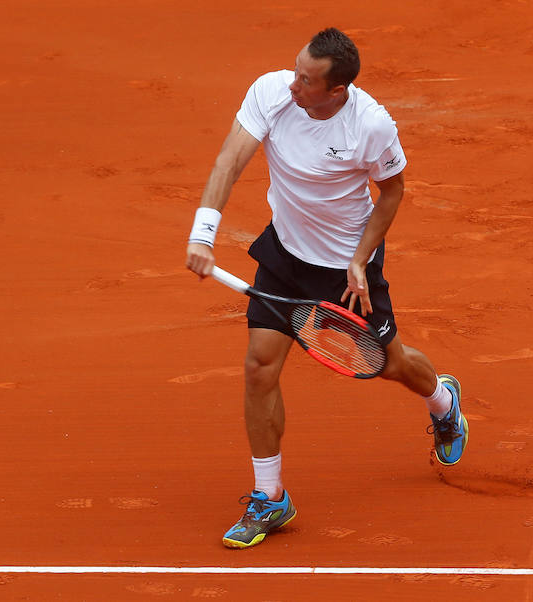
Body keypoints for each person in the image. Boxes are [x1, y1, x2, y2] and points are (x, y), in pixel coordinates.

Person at [185, 28, 468, 549]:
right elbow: (229, 161)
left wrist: (360, 261)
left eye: (307, 81)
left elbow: (392, 192)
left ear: (337, 90)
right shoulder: (272, 93)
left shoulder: (371, 126)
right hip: (285, 253)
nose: (293, 85)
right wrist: (204, 232)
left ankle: (442, 401)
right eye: (295, 71)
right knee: (258, 367)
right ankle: (270, 498)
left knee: (391, 364)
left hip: (344, 268)